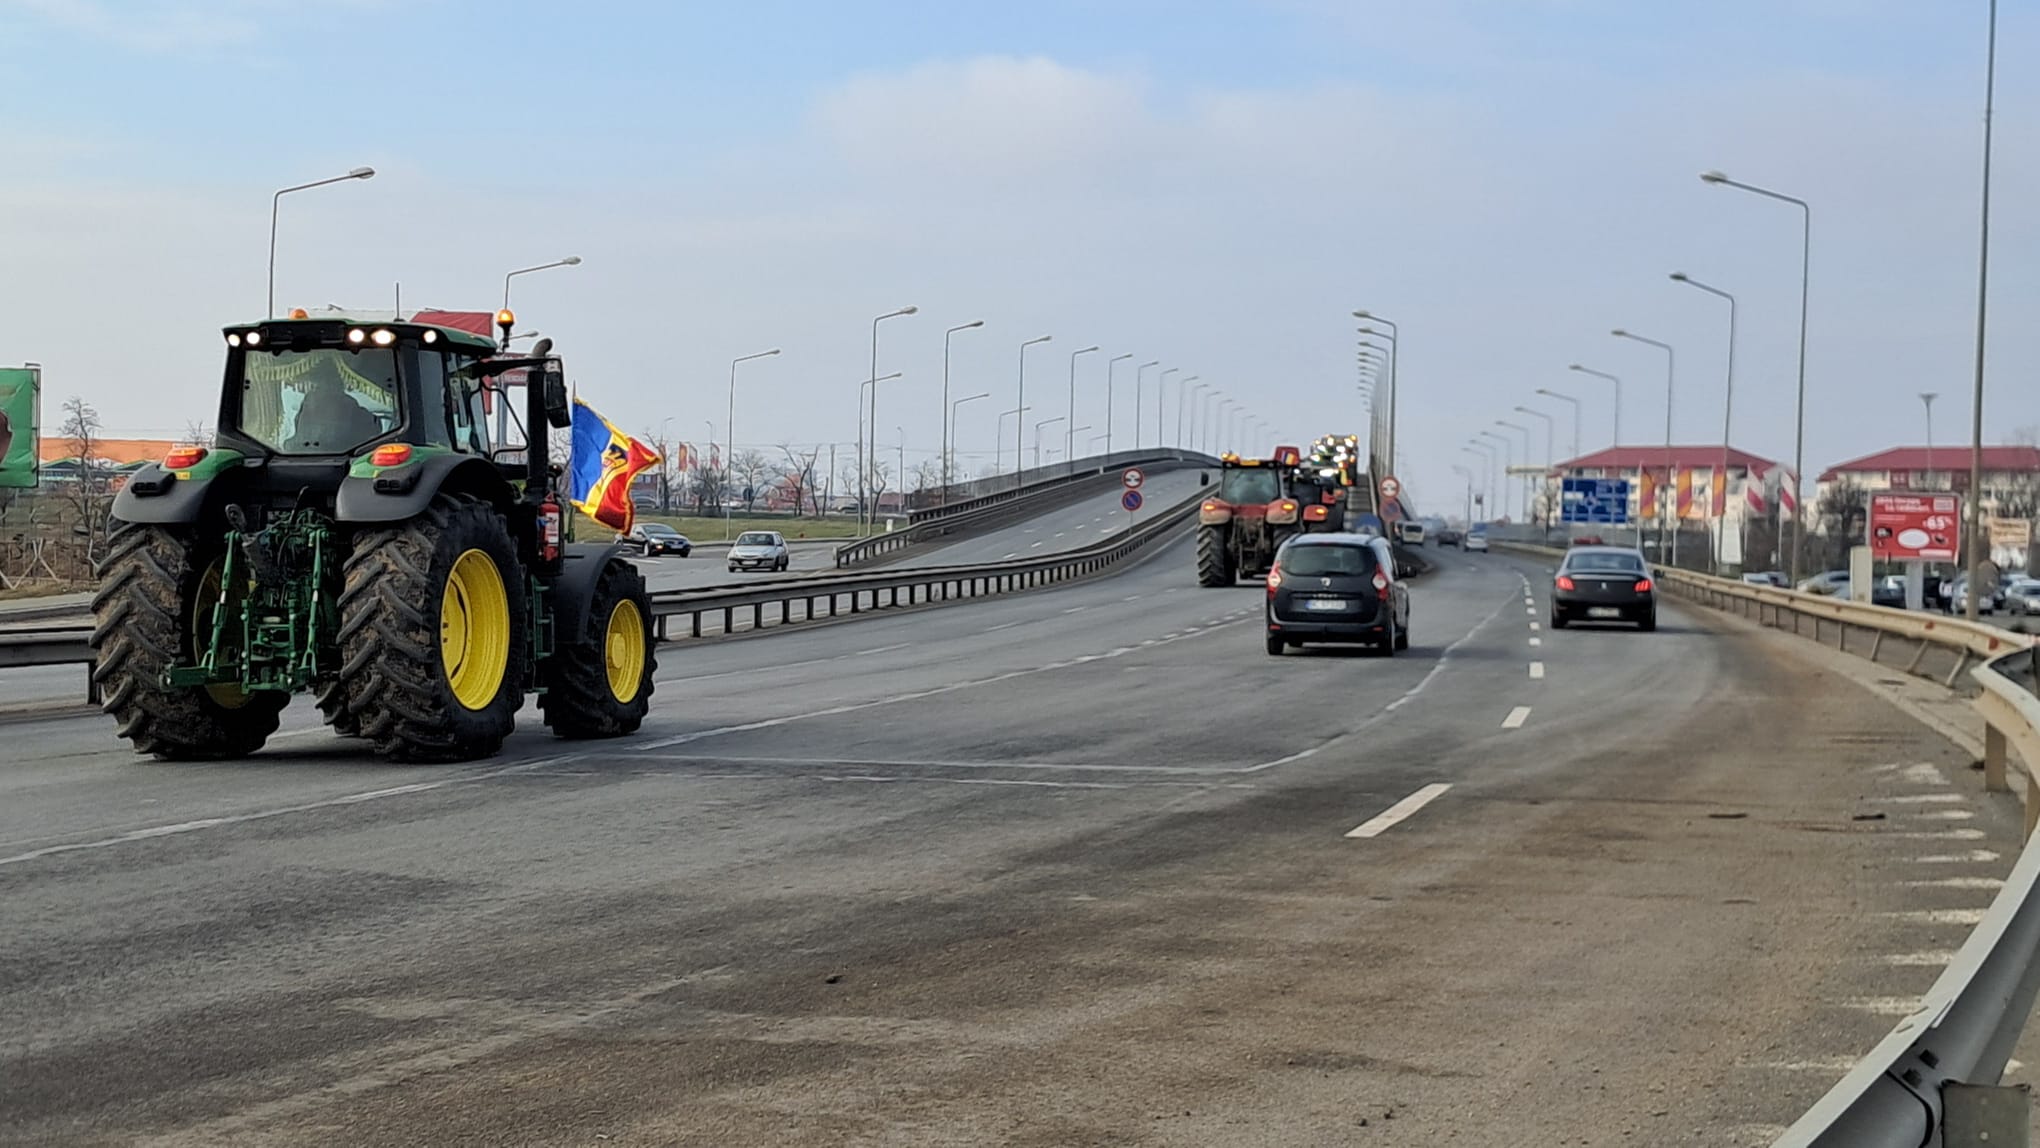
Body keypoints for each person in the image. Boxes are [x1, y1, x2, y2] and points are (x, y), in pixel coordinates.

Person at [290, 358, 382, 453]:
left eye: (328, 383)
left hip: (343, 454)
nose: (323, 387)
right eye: (320, 383)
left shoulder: (348, 405)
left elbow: (373, 428)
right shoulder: (310, 401)